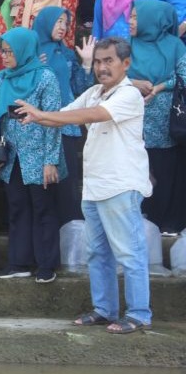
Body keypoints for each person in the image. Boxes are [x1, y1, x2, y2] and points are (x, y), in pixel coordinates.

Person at [17, 37, 153, 334]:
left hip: (121, 185)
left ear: (125, 64)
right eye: (99, 62)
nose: (102, 68)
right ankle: (105, 309)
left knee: (129, 253)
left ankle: (140, 313)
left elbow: (91, 116)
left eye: (109, 61)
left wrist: (41, 114)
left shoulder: (128, 94)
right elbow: (66, 117)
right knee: (97, 252)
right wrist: (39, 116)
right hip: (94, 186)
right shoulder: (94, 92)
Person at [0, 28, 65, 282]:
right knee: (17, 207)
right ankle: (18, 261)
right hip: (12, 155)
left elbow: (54, 120)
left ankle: (46, 264)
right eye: (3, 51)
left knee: (42, 207)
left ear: (23, 50)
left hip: (39, 155)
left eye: (10, 52)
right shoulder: (3, 78)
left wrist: (50, 160)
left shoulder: (45, 78)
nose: (5, 57)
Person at [127, 0, 186, 234]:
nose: (130, 22)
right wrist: (134, 83)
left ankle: (167, 222)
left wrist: (159, 87)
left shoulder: (175, 46)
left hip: (166, 124)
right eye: (130, 17)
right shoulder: (125, 45)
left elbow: (184, 76)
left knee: (166, 171)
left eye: (134, 17)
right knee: (140, 170)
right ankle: (143, 220)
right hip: (134, 122)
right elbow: (109, 77)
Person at [32, 7, 93, 224]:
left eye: (65, 23)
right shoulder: (31, 51)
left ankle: (71, 232)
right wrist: (32, 68)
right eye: (58, 22)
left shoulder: (66, 53)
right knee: (41, 187)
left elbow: (80, 88)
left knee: (67, 184)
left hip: (66, 124)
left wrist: (86, 63)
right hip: (37, 126)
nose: (63, 27)